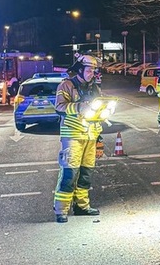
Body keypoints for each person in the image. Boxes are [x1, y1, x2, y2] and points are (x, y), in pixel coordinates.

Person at [53, 54, 103, 223]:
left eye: (94, 70)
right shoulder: (66, 85)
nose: (92, 73)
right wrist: (79, 106)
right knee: (69, 173)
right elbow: (59, 107)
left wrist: (99, 138)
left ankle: (82, 206)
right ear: (80, 70)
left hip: (91, 135)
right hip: (72, 135)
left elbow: (99, 111)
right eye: (89, 70)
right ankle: (61, 210)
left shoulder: (95, 88)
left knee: (86, 174)